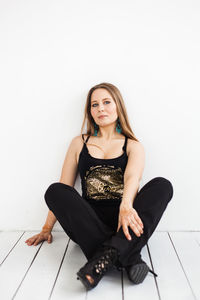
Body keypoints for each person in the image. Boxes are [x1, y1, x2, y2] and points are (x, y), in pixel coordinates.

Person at [25, 82, 174, 290]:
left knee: (162, 186)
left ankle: (104, 258)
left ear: (118, 106)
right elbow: (65, 185)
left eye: (106, 102)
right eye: (94, 105)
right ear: (90, 112)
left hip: (124, 222)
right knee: (55, 191)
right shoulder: (79, 143)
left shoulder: (133, 145)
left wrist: (126, 206)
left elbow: (132, 178)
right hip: (88, 224)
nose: (100, 108)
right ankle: (129, 257)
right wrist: (46, 228)